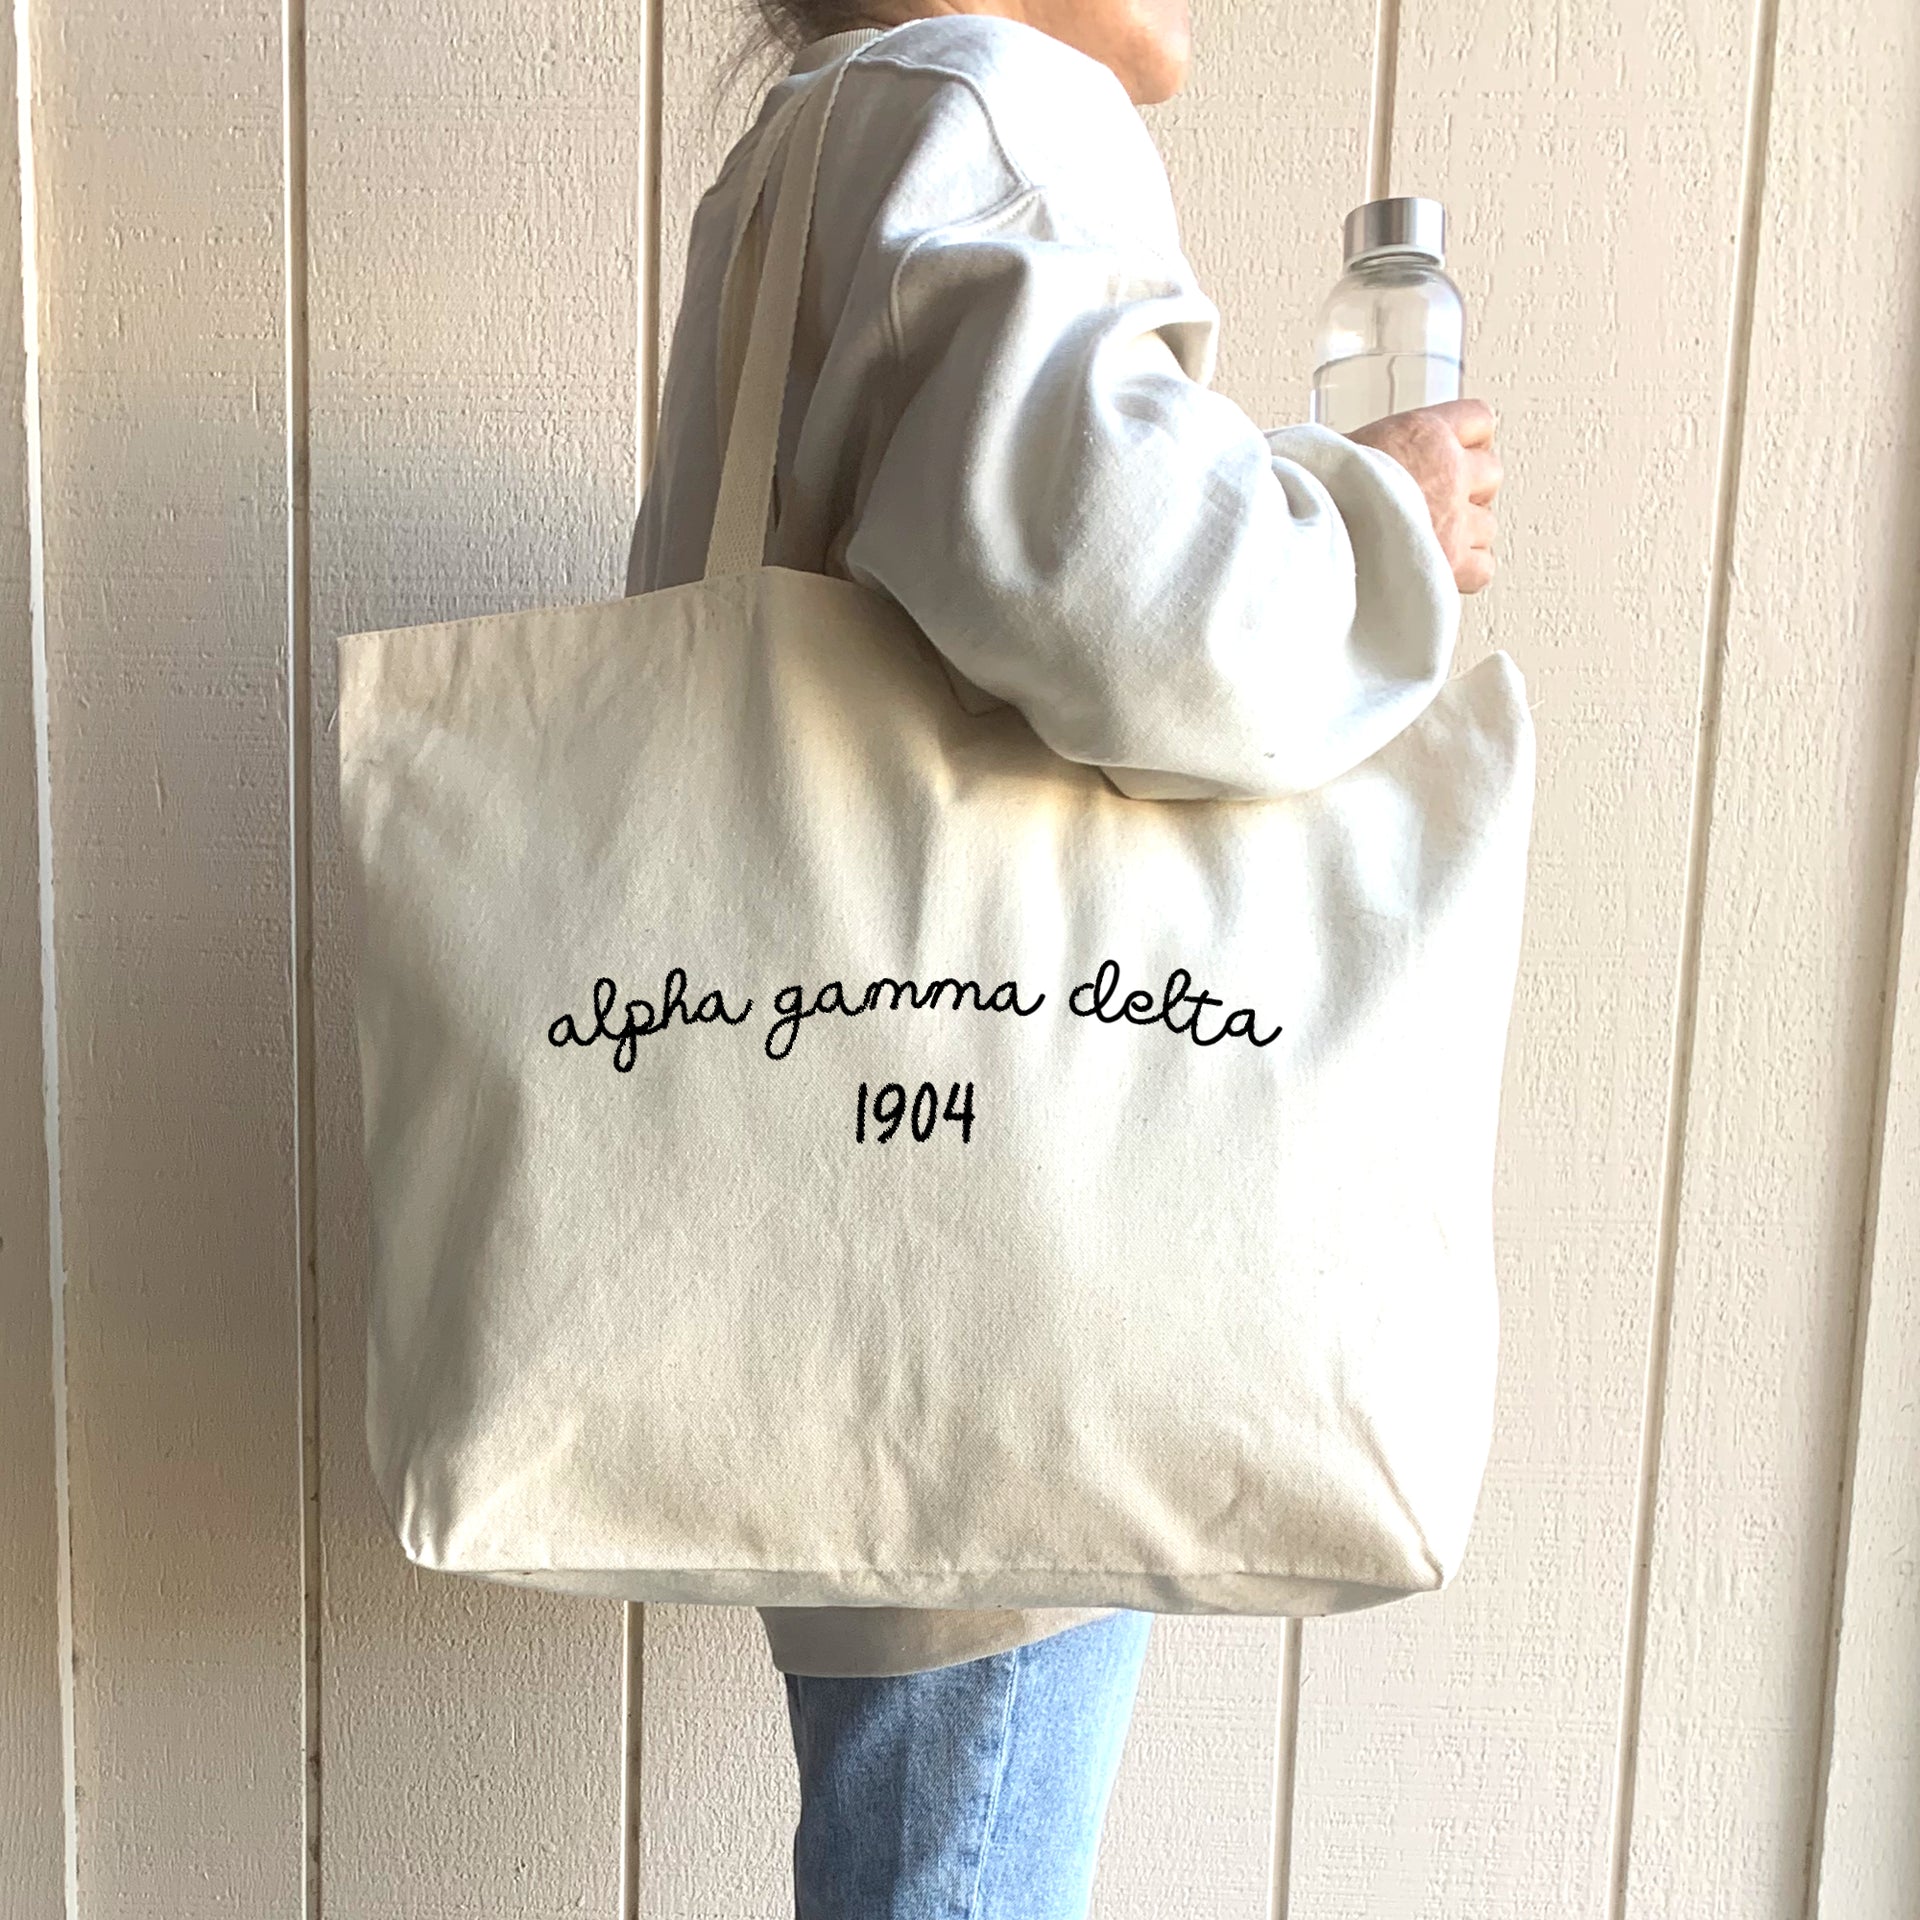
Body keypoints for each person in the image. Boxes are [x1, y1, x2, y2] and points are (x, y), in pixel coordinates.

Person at [626, 3, 1502, 1913]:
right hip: (1010, 1228)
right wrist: (1385, 525)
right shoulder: (998, 106)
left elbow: (994, 544)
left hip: (849, 1197)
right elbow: (1141, 614)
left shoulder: (813, 141)